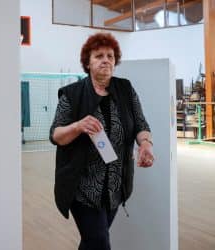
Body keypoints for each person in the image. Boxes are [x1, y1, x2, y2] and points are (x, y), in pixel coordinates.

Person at [49, 32, 154, 250]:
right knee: (99, 241)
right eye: (99, 56)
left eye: (110, 56)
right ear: (88, 62)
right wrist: (78, 126)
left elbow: (141, 124)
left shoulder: (125, 89)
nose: (106, 60)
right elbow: (56, 135)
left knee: (92, 241)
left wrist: (145, 144)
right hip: (82, 187)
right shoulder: (72, 94)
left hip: (116, 186)